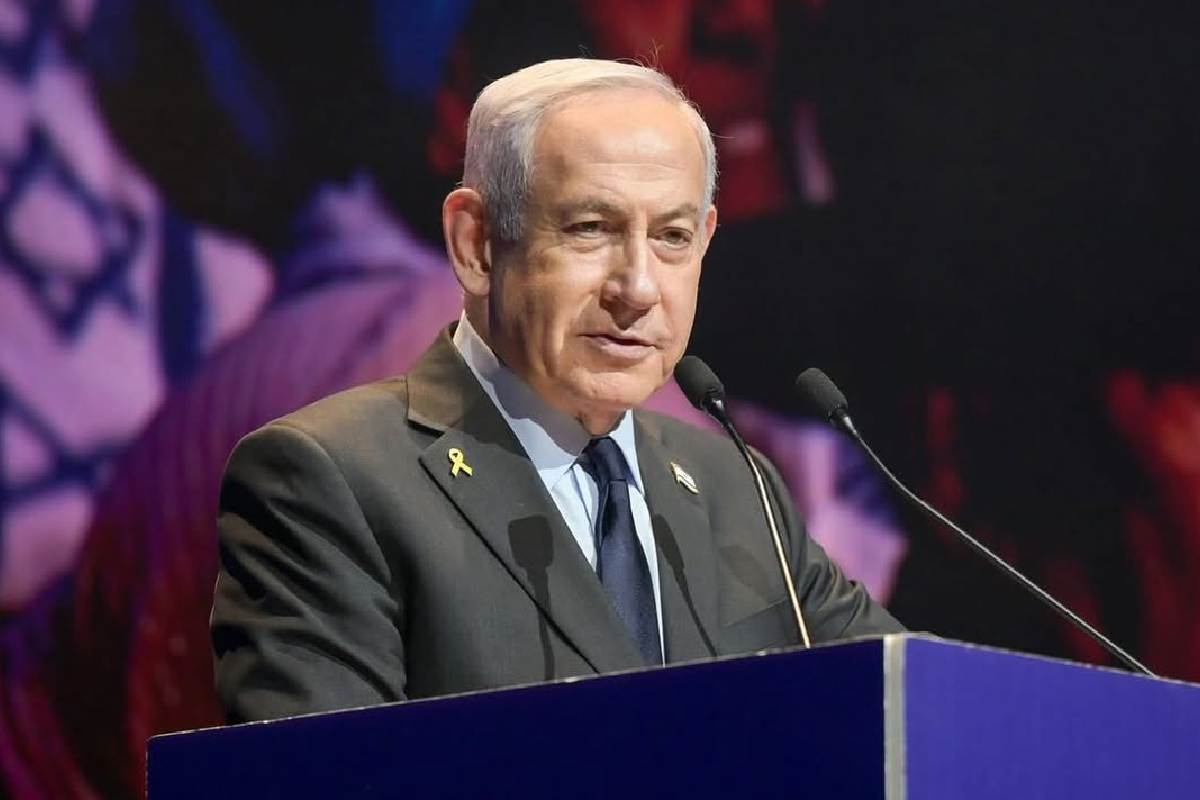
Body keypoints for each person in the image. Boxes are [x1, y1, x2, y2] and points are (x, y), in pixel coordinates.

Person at [211, 58, 902, 723]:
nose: (637, 289)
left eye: (672, 236)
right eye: (591, 228)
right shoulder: (328, 480)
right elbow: (331, 778)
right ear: (477, 243)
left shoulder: (740, 489)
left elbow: (916, 707)